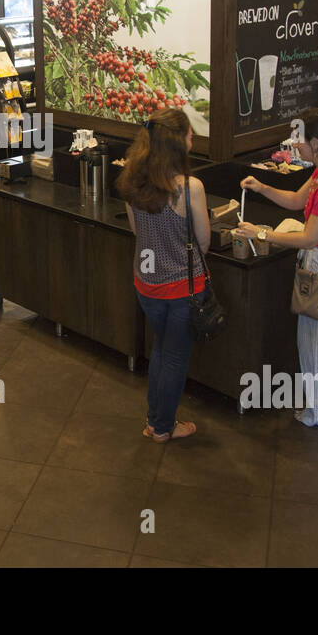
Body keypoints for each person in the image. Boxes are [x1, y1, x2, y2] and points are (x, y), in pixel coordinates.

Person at [235, 109, 318, 429]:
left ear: (317, 142)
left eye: (300, 141)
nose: (296, 146)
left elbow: (309, 238)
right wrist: (262, 187)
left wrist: (261, 233)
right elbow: (297, 201)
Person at [116, 108, 209, 442]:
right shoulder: (190, 188)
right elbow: (203, 241)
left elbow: (136, 231)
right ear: (176, 144)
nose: (192, 140)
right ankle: (163, 427)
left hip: (146, 283)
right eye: (188, 135)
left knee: (160, 349)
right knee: (175, 357)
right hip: (182, 288)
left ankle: (154, 419)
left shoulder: (131, 181)